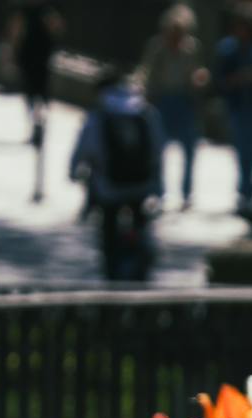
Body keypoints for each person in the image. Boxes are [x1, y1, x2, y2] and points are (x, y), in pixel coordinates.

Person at [71, 68, 164, 282]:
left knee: (109, 226)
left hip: (109, 187)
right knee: (140, 220)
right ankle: (142, 255)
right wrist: (158, 186)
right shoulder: (144, 110)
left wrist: (74, 170)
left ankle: (111, 268)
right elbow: (157, 148)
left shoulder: (100, 112)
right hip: (141, 185)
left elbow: (85, 148)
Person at [139, 5, 207, 210]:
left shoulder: (192, 48)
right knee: (158, 150)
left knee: (189, 150)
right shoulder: (157, 47)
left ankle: (186, 193)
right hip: (163, 101)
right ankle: (158, 191)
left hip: (184, 101)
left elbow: (197, 72)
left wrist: (199, 80)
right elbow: (147, 74)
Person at [215, 12, 252, 206]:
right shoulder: (228, 49)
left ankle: (250, 182)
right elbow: (221, 79)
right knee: (241, 146)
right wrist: (239, 78)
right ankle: (245, 184)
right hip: (237, 105)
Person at [7, 0, 61, 144]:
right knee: (39, 92)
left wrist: (12, 51)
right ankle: (38, 122)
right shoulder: (46, 10)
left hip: (30, 55)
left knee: (31, 92)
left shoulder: (26, 10)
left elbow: (15, 30)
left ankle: (36, 123)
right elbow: (57, 27)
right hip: (41, 56)